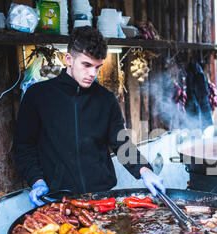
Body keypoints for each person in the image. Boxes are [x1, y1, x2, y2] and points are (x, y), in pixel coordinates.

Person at [13, 26, 165, 207]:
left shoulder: (106, 99)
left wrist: (145, 170)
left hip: (102, 198)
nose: (93, 73)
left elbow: (121, 144)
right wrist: (36, 180)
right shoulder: (38, 96)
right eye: (86, 65)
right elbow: (24, 147)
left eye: (97, 67)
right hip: (59, 199)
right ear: (68, 59)